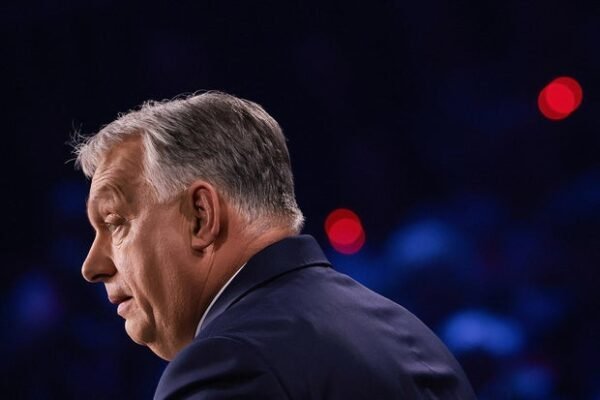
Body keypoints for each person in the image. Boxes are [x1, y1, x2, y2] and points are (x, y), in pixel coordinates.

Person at [74, 91, 476, 399]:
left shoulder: (228, 365)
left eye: (115, 223)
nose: (92, 266)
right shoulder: (411, 336)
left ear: (200, 216)